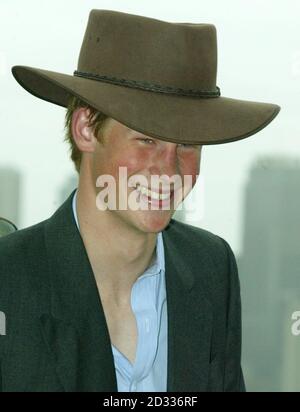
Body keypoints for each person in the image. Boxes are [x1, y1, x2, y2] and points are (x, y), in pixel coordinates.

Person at [0, 9, 280, 392]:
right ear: (86, 129)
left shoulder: (211, 268)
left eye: (187, 144)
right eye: (147, 139)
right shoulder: (9, 279)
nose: (169, 168)